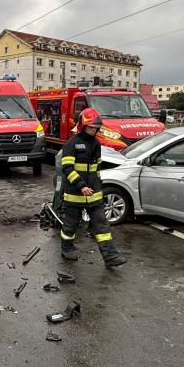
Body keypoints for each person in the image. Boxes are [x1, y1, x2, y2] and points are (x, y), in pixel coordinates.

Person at [59, 108, 126, 268]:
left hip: (94, 194)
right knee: (71, 225)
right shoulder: (71, 144)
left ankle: (110, 257)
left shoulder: (96, 143)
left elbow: (96, 168)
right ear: (82, 125)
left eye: (95, 128)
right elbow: (67, 168)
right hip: (75, 194)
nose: (93, 130)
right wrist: (81, 186)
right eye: (90, 127)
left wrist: (98, 186)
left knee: (102, 225)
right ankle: (67, 248)